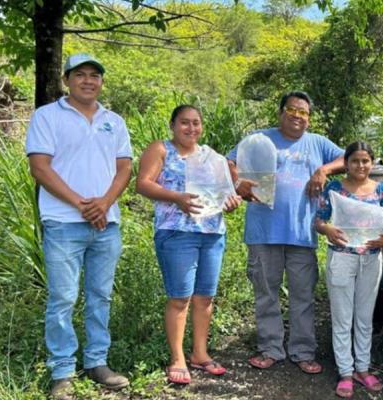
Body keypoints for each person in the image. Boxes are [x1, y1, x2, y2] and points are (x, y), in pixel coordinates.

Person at [25, 53, 132, 399]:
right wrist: (81, 204)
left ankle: (97, 362)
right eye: (81, 74)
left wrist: (104, 203)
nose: (88, 81)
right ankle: (62, 371)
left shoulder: (113, 121)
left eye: (94, 75)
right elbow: (40, 167)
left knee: (100, 296)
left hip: (106, 224)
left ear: (101, 81)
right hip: (62, 223)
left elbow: (124, 169)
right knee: (63, 298)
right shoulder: (47, 116)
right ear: (67, 79)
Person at [228, 91, 344, 374]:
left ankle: (303, 351)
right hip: (263, 232)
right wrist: (238, 182)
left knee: (302, 296)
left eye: (303, 112)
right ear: (280, 113)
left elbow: (348, 157)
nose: (297, 116)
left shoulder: (317, 143)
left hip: (301, 233)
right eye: (292, 110)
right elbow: (229, 162)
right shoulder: (260, 139)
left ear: (309, 118)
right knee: (266, 293)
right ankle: (270, 349)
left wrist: (323, 170)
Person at [135, 105, 242, 385]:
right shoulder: (161, 149)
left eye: (196, 123)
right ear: (173, 125)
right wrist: (176, 197)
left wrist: (230, 201)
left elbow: (224, 193)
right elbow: (143, 184)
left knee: (205, 297)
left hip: (212, 233)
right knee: (180, 298)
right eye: (184, 122)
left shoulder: (211, 157)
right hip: (176, 233)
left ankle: (200, 354)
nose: (191, 128)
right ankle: (177, 358)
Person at [315, 141, 383, 398]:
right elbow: (319, 220)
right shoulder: (334, 188)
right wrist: (327, 229)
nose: (360, 165)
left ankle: (363, 368)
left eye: (365, 161)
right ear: (346, 163)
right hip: (342, 258)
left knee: (364, 317)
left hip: (371, 259)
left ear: (372, 163)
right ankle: (345, 372)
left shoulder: (381, 191)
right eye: (355, 161)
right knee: (342, 317)